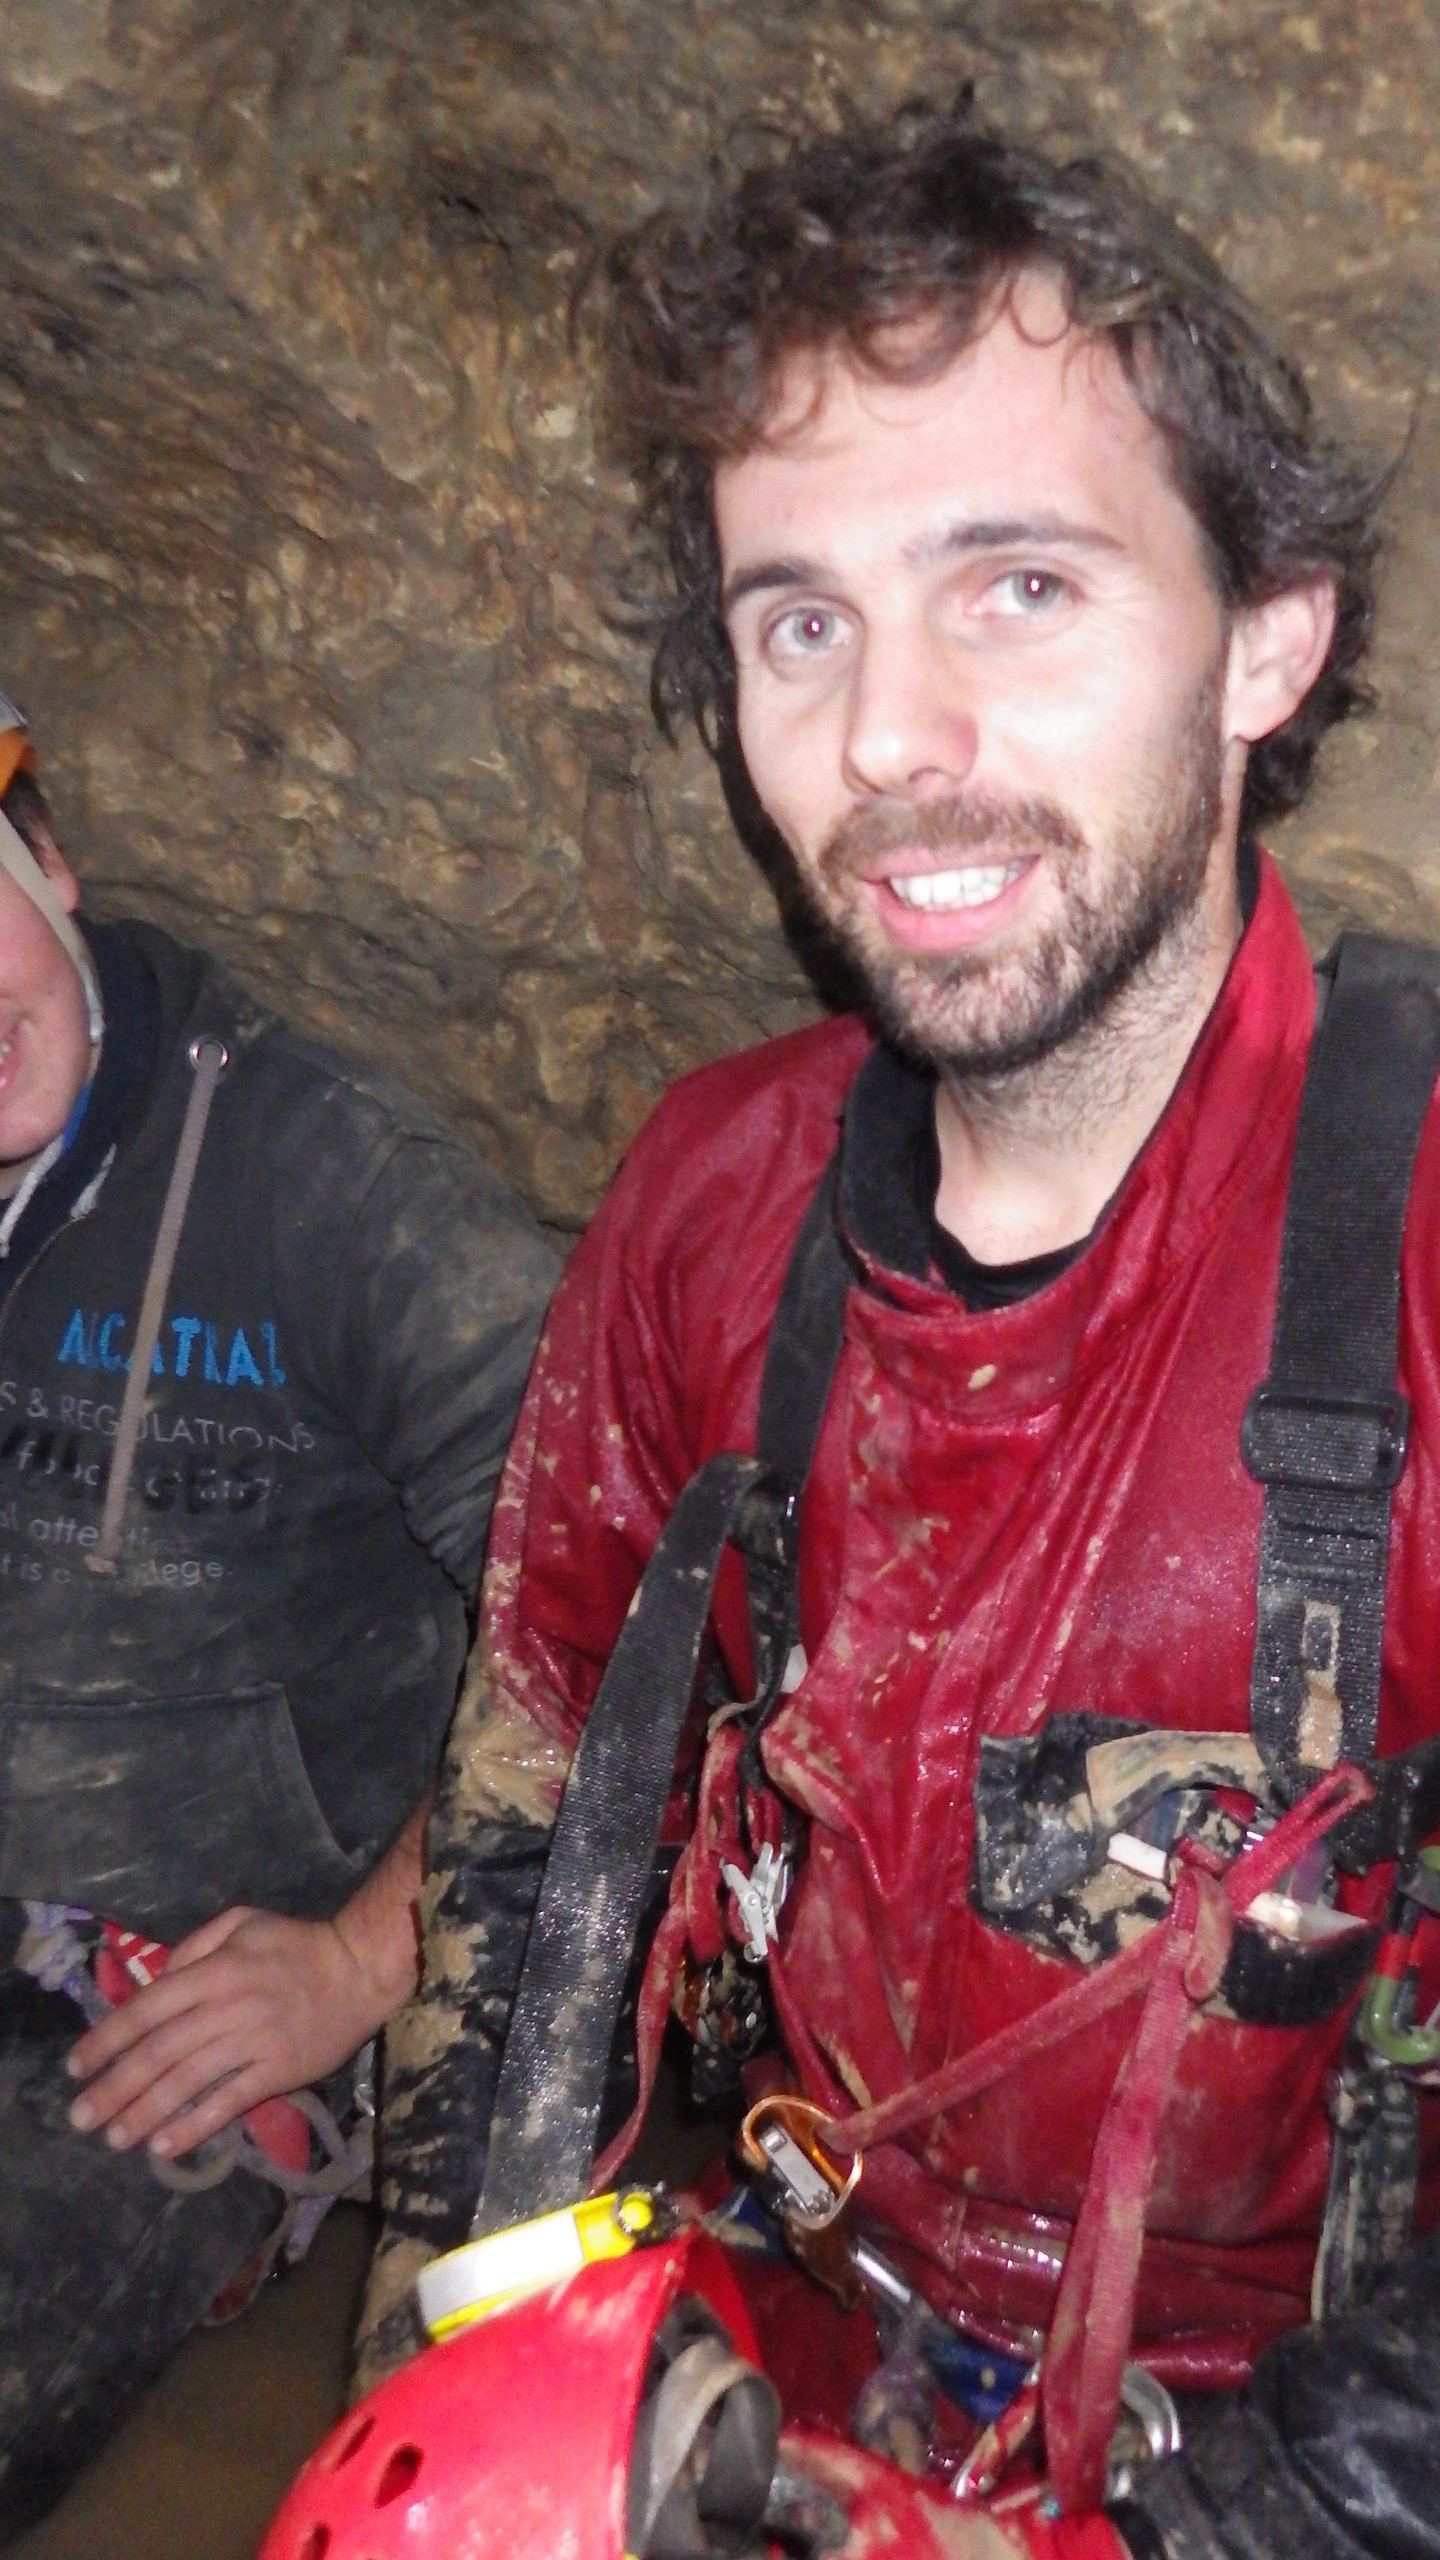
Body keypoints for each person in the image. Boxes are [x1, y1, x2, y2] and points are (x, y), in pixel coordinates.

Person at [361, 106, 1440, 2560]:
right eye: (801, 620)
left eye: (1021, 585)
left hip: (1286, 2447)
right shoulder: (712, 1199)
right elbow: (532, 1828)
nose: (884, 738)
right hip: (787, 2345)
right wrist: (472, 2388)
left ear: (1267, 640)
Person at [0, 699, 557, 2541]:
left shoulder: (333, 1194)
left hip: (160, 2009)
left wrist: (360, 1964)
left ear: (46, 860)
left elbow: (618, 1589)